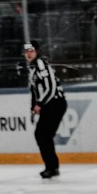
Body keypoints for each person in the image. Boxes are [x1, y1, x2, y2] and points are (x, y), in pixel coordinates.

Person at [23, 39, 67, 180]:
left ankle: (52, 167)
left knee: (42, 135)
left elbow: (50, 87)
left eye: (31, 51)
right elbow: (34, 90)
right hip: (50, 104)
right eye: (26, 51)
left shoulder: (41, 65)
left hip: (55, 103)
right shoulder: (33, 67)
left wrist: (39, 104)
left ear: (37, 52)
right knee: (43, 135)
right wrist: (33, 106)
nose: (28, 54)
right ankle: (52, 167)